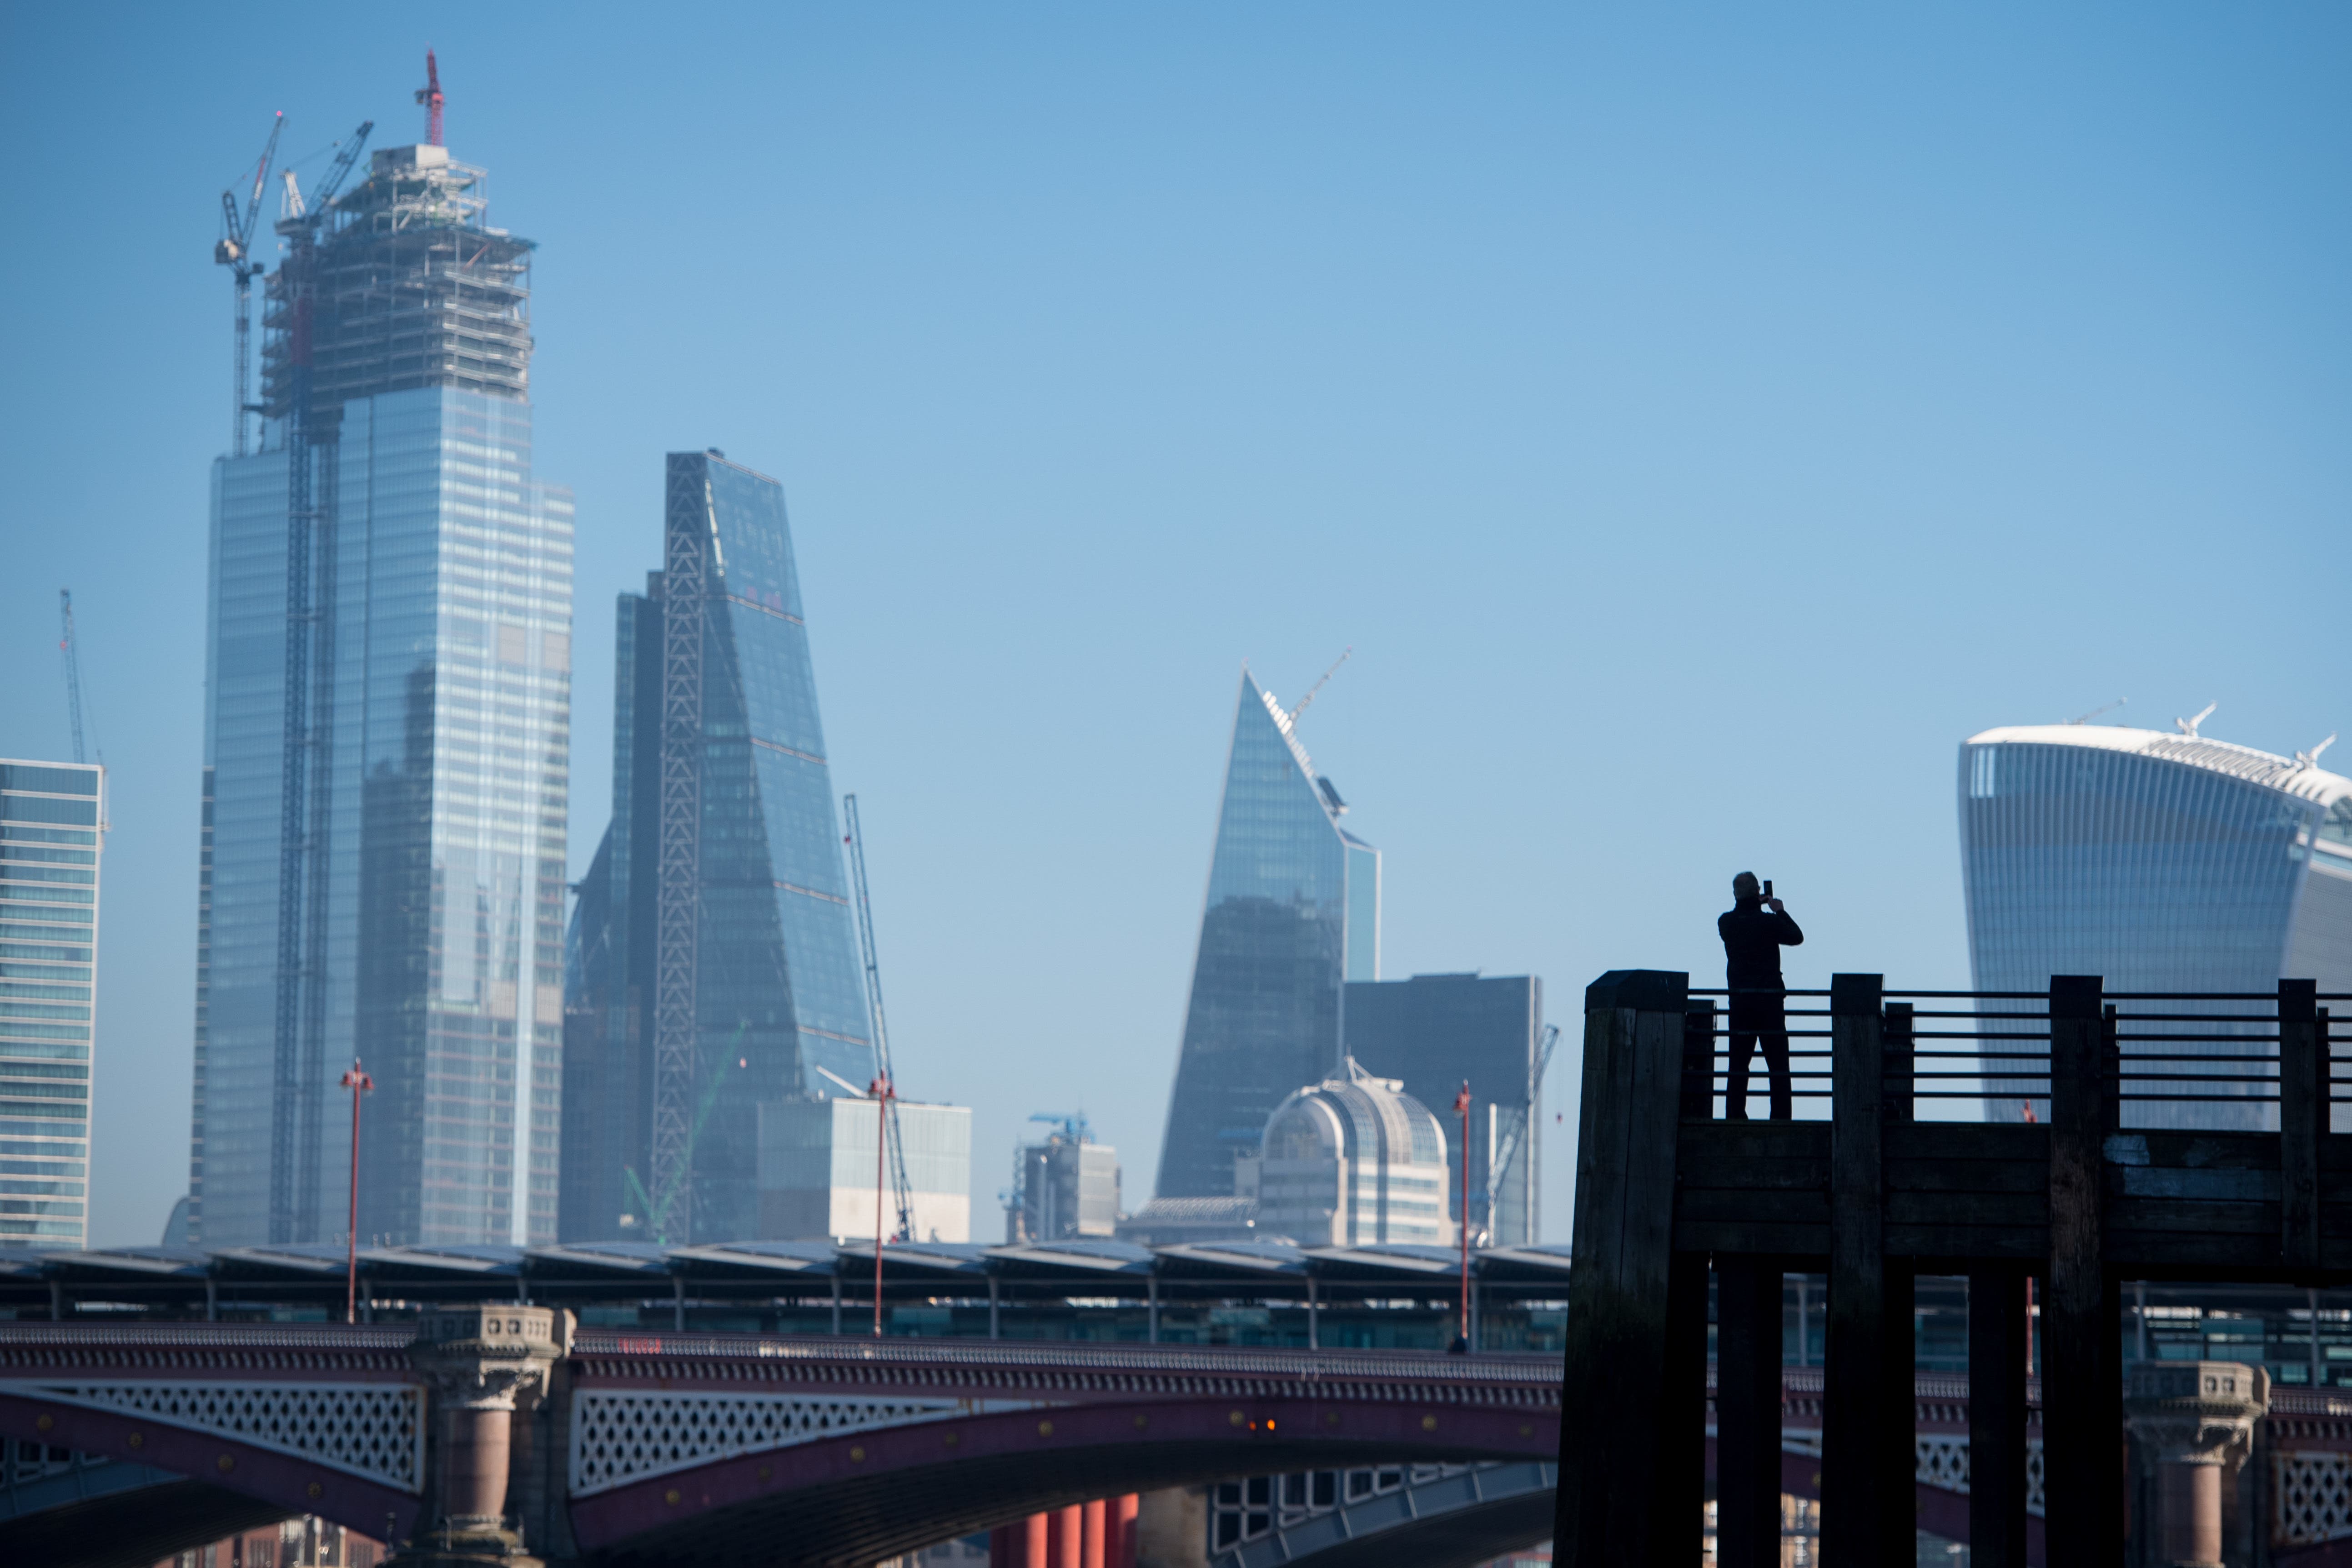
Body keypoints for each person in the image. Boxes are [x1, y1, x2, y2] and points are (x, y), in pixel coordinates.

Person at [1718, 871, 1804, 1121]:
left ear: (1735, 894)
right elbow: (1796, 937)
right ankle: (1780, 1118)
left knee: (1738, 1065)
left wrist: (1754, 902)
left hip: (1740, 1003)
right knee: (1778, 1065)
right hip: (1770, 1003)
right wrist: (1778, 910)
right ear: (1758, 892)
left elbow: (1742, 919)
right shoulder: (1769, 922)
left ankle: (1734, 1117)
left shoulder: (1726, 923)